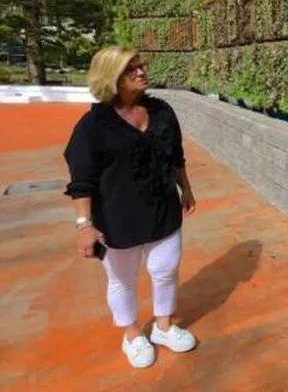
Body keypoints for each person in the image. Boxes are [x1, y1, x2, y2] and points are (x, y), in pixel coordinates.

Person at [63, 46, 198, 369]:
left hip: (163, 210)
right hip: (117, 219)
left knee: (165, 272)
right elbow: (81, 180)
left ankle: (163, 327)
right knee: (122, 281)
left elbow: (175, 155)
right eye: (130, 69)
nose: (141, 72)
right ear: (111, 78)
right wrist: (84, 224)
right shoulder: (93, 126)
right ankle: (132, 334)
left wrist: (186, 189)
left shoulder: (163, 111)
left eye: (141, 66)